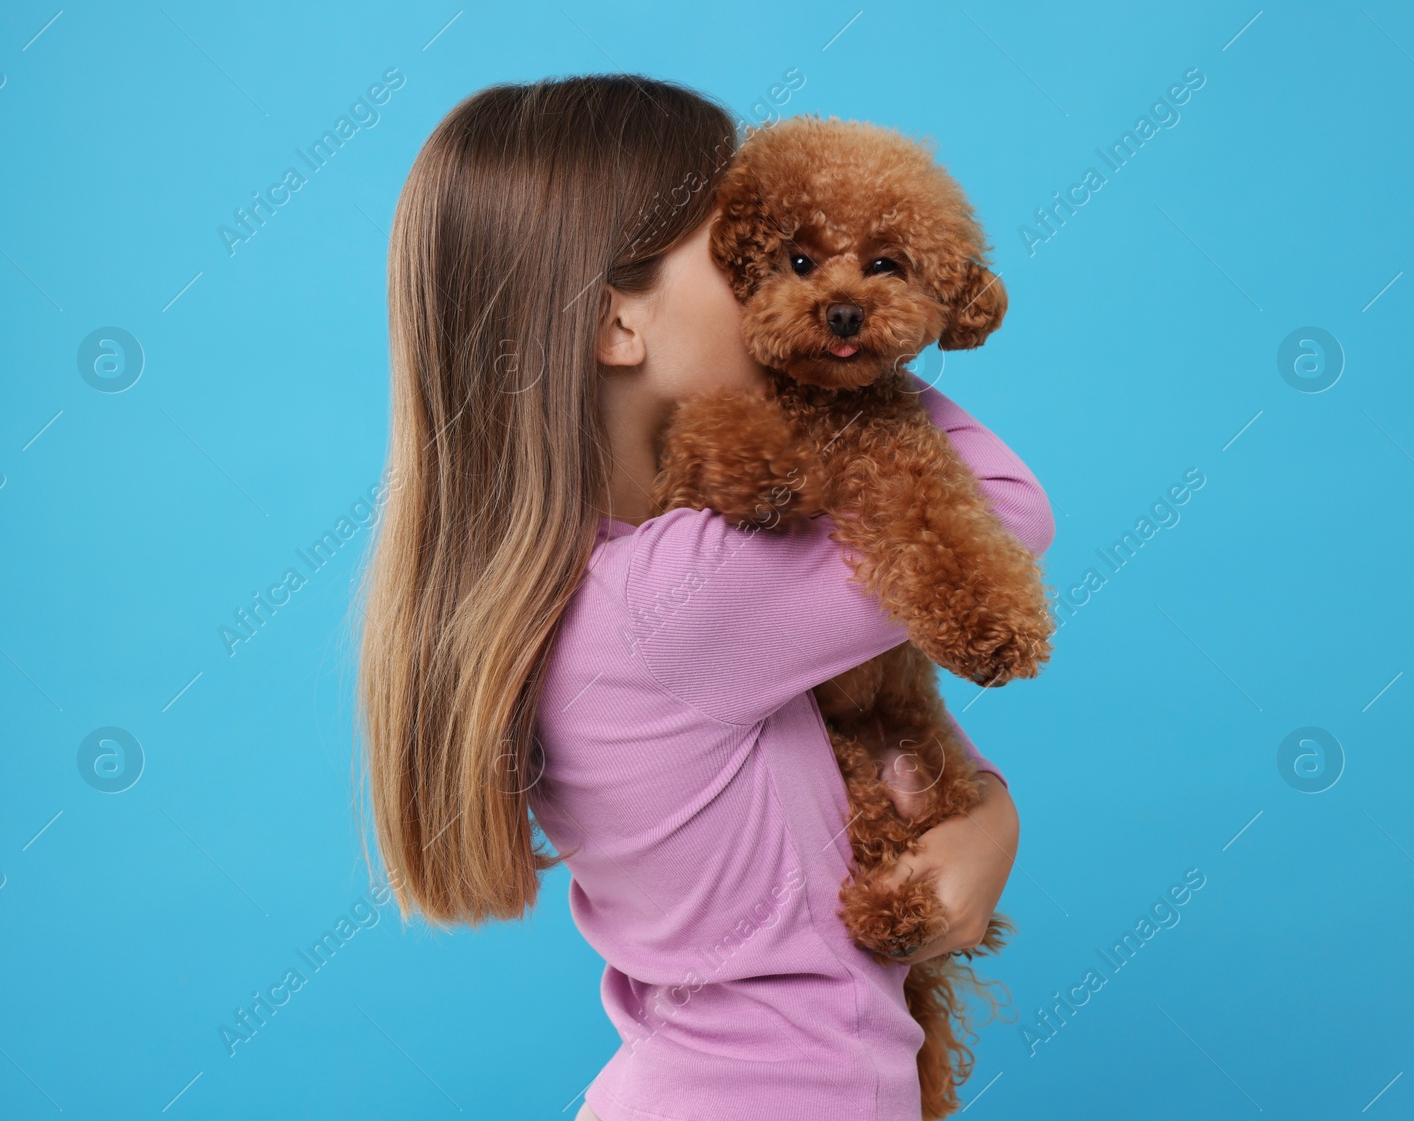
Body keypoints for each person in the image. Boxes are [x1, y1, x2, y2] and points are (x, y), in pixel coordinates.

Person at [357, 74, 1054, 1121]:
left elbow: (898, 747)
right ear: (615, 325)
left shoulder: (626, 580)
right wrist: (865, 340)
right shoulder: (681, 598)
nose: (792, 282)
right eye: (758, 252)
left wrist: (987, 816)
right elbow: (1005, 507)